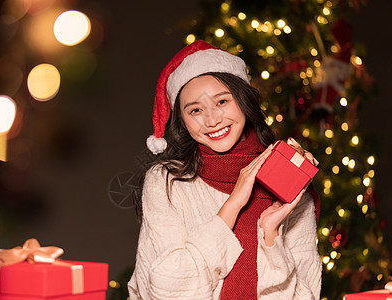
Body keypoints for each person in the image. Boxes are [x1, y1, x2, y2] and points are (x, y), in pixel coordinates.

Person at [128, 40, 321, 299]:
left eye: (222, 101)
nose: (212, 119)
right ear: (183, 122)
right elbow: (166, 290)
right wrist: (232, 206)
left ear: (243, 100)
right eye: (195, 109)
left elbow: (306, 295)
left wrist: (270, 233)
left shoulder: (286, 179)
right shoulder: (167, 181)